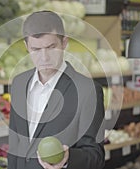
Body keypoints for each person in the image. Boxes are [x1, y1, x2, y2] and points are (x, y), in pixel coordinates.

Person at [7, 11, 105, 169]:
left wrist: (67, 159)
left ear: (64, 43)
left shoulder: (88, 91)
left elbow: (96, 156)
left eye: (51, 47)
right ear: (26, 47)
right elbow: (15, 145)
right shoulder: (19, 84)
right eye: (36, 50)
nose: (44, 57)